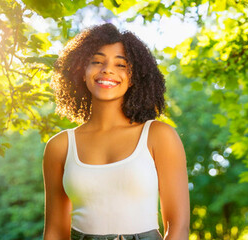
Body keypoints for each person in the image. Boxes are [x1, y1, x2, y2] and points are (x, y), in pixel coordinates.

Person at [42, 23, 190, 240]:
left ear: (134, 77)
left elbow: (178, 227)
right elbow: (55, 232)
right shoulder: (60, 146)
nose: (107, 70)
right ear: (81, 72)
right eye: (97, 61)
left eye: (121, 64)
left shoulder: (158, 135)